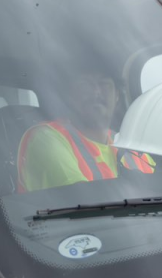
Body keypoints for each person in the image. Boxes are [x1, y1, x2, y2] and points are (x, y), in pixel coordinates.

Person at [17, 68, 154, 193]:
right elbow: (80, 200)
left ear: (117, 95)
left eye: (104, 83)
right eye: (86, 84)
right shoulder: (46, 138)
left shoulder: (132, 147)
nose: (96, 92)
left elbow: (161, 189)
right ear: (70, 96)